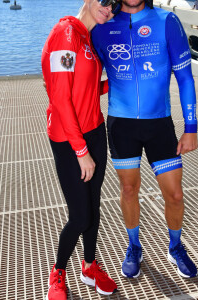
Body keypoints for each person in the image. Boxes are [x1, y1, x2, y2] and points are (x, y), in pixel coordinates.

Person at [92, 0, 198, 279]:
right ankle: (134, 245)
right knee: (128, 190)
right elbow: (85, 71)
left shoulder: (166, 21)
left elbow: (185, 78)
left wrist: (191, 127)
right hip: (121, 124)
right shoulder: (102, 25)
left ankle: (175, 247)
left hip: (159, 124)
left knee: (175, 195)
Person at [41, 0, 121, 299]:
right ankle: (58, 271)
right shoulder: (66, 34)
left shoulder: (88, 37)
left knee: (94, 205)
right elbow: (61, 97)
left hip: (95, 132)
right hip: (69, 139)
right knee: (80, 216)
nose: (109, 8)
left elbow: (86, 88)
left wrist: (113, 82)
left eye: (114, 5)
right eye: (104, 1)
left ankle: (89, 266)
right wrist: (80, 150)